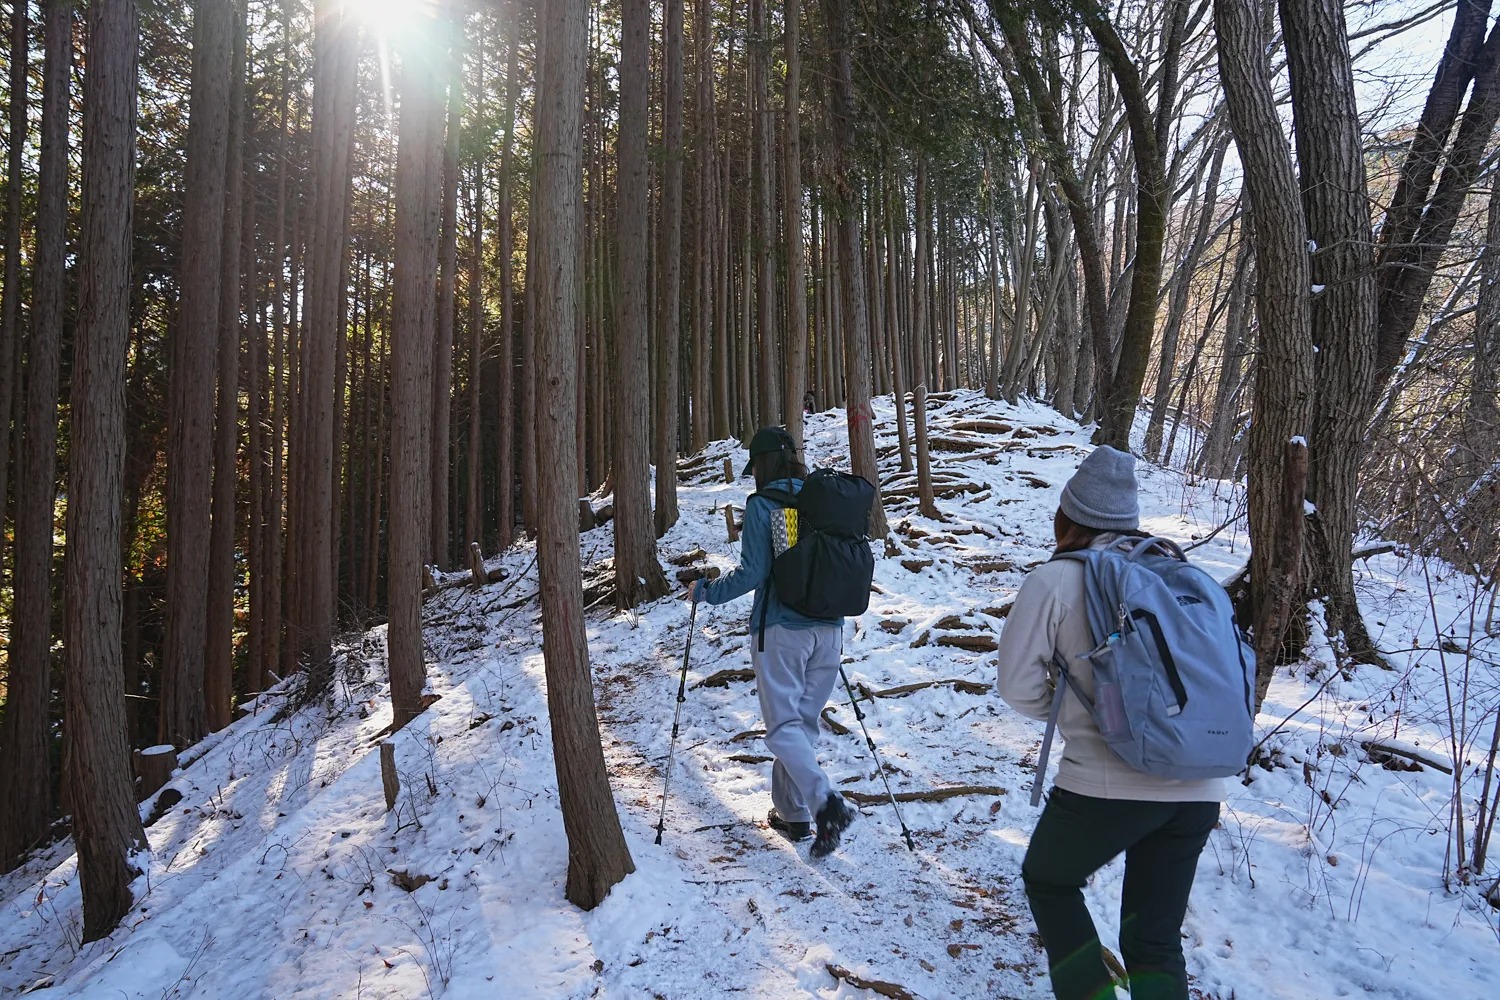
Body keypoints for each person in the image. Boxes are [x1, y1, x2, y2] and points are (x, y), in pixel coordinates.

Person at [993, 446, 1222, 1000]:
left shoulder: (1055, 580)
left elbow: (1015, 686)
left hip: (1104, 780)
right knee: (1154, 940)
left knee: (1049, 880)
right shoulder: (1180, 574)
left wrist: (1083, 716)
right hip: (1199, 782)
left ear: (1067, 517)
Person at [687, 426, 858, 858]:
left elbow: (752, 575)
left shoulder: (763, 505)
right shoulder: (821, 499)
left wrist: (705, 591)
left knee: (784, 729)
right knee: (800, 727)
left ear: (761, 466)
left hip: (781, 632)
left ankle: (826, 803)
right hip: (830, 629)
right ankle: (794, 814)